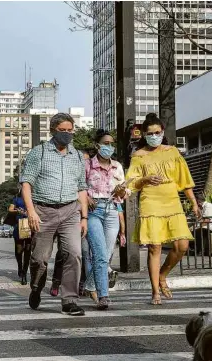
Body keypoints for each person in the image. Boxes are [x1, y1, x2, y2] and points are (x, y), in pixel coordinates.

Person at [125, 113, 200, 305]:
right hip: (150, 201)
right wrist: (145, 179)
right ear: (144, 134)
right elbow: (131, 183)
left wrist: (193, 202)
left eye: (157, 132)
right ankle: (155, 292)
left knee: (182, 245)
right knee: (154, 247)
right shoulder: (138, 155)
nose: (154, 135)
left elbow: (184, 179)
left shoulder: (172, 152)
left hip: (172, 200)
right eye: (150, 133)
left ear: (162, 132)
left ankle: (162, 275)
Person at [21, 112, 88, 316]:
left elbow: (82, 187)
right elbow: (26, 183)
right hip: (43, 211)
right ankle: (36, 288)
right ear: (52, 131)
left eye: (70, 130)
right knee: (39, 259)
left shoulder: (76, 155)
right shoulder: (38, 153)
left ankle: (69, 300)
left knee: (74, 254)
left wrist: (84, 217)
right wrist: (31, 211)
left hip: (70, 211)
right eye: (62, 130)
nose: (67, 134)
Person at [85, 129, 128, 310]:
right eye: (106, 143)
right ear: (97, 145)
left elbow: (125, 192)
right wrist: (86, 198)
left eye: (111, 144)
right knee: (100, 254)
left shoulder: (117, 166)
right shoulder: (86, 165)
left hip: (112, 210)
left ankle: (89, 285)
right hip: (93, 212)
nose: (109, 147)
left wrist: (122, 191)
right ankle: (103, 295)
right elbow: (78, 187)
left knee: (107, 254)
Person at [8, 188, 32, 285]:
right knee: (18, 250)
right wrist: (17, 210)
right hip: (19, 226)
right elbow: (10, 209)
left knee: (27, 251)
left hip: (30, 227)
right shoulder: (16, 199)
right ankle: (19, 266)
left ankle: (24, 273)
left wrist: (28, 212)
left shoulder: (33, 199)